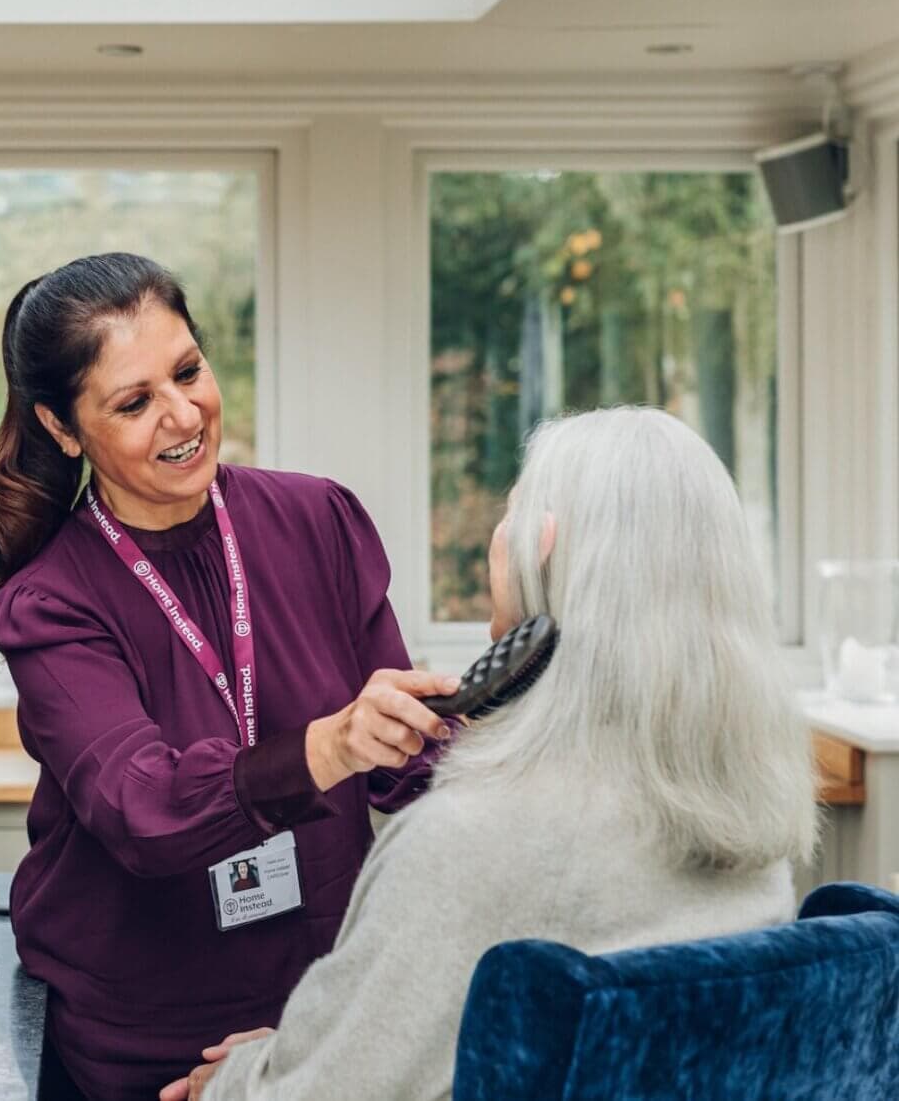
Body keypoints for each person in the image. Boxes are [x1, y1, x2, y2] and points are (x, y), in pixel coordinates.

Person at [164, 407, 817, 1101]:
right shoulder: (751, 831)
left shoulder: (465, 841)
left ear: (543, 547)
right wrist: (303, 1048)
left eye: (510, 512)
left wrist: (235, 1079)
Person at [0, 252, 460, 1101]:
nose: (183, 413)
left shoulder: (317, 520)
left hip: (314, 1023)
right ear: (64, 427)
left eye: (188, 371)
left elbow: (407, 764)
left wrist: (484, 726)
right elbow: (142, 809)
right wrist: (328, 745)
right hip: (140, 1047)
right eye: (134, 401)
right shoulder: (51, 602)